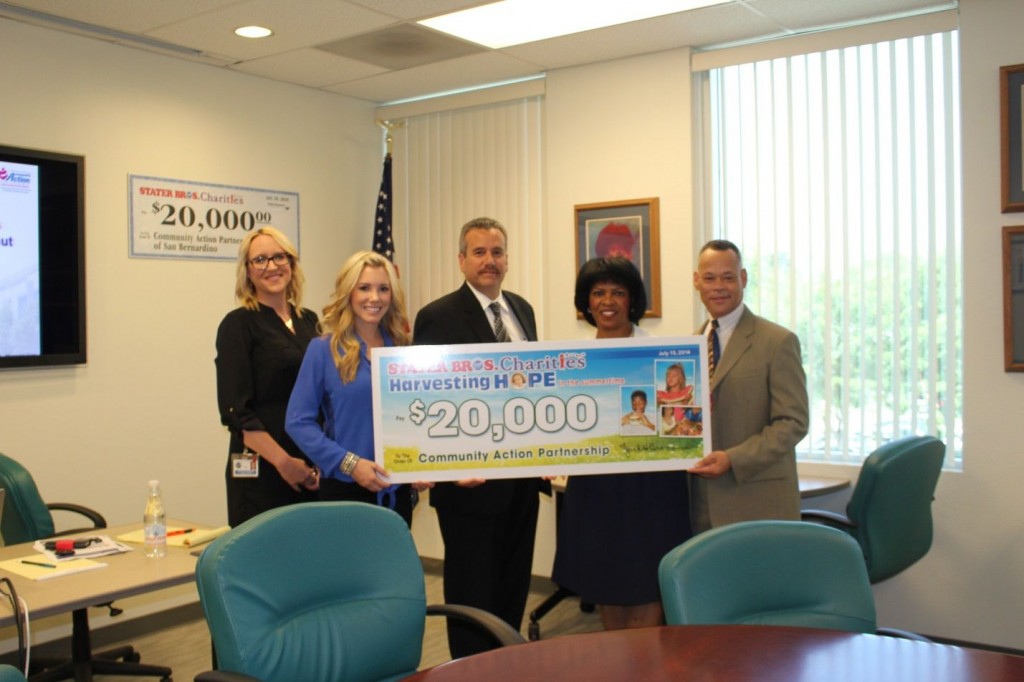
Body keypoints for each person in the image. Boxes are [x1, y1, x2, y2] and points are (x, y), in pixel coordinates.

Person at [413, 217, 543, 658]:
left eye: (498, 252)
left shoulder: (522, 310)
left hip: (522, 481)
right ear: (462, 260)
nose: (490, 261)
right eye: (480, 252)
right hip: (470, 487)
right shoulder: (438, 316)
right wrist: (449, 473)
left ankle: (507, 665)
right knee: (472, 596)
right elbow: (429, 403)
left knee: (512, 587)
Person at [551, 256, 691, 631]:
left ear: (633, 300)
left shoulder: (664, 355)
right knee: (605, 581)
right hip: (597, 488)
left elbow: (679, 426)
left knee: (648, 584)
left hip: (653, 488)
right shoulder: (570, 360)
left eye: (618, 292)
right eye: (598, 293)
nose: (607, 301)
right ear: (586, 302)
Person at [286, 251, 429, 526]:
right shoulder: (323, 350)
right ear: (348, 292)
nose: (374, 298)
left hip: (396, 493)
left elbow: (416, 418)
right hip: (344, 491)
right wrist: (351, 464)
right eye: (364, 288)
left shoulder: (402, 350)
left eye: (383, 289)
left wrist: (419, 466)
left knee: (390, 570)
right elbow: (297, 422)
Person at [689, 239, 809, 533]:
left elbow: (793, 422)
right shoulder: (688, 347)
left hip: (758, 503)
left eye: (728, 277)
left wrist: (733, 458)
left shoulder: (777, 341)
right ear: (696, 282)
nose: (719, 286)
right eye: (710, 277)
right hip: (701, 507)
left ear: (742, 279)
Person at [215, 227, 320, 527]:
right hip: (263, 470)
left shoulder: (309, 320)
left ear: (292, 263)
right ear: (247, 272)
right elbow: (237, 412)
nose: (271, 266)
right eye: (259, 259)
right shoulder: (238, 325)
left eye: (278, 257)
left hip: (309, 467)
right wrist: (285, 463)